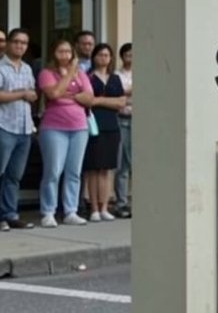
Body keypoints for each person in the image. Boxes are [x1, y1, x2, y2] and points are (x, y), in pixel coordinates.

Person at [37, 39, 93, 227]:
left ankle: (71, 211)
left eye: (68, 52)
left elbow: (89, 98)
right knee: (53, 171)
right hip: (54, 127)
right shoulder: (47, 73)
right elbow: (53, 94)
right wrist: (70, 75)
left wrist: (71, 95)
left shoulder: (82, 73)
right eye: (61, 51)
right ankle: (48, 212)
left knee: (74, 171)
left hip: (79, 127)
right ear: (54, 53)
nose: (65, 55)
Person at [83, 44, 126, 222]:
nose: (104, 58)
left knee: (107, 169)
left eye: (107, 55)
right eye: (100, 54)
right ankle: (93, 207)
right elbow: (88, 100)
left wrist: (99, 99)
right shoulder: (88, 77)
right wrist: (107, 101)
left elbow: (121, 102)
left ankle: (104, 206)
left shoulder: (115, 78)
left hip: (112, 126)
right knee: (94, 168)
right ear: (94, 57)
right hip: (94, 125)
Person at [0, 29, 37, 231]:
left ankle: (10, 214)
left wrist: (29, 95)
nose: (20, 46)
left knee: (14, 176)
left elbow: (31, 94)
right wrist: (22, 93)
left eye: (24, 43)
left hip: (24, 128)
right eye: (16, 42)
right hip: (4, 126)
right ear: (8, 44)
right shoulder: (1, 67)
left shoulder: (27, 69)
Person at [113, 42, 132, 218]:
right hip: (123, 119)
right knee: (123, 164)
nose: (131, 58)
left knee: (139, 163)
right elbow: (118, 94)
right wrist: (130, 92)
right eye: (128, 55)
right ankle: (121, 203)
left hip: (140, 120)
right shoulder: (117, 75)